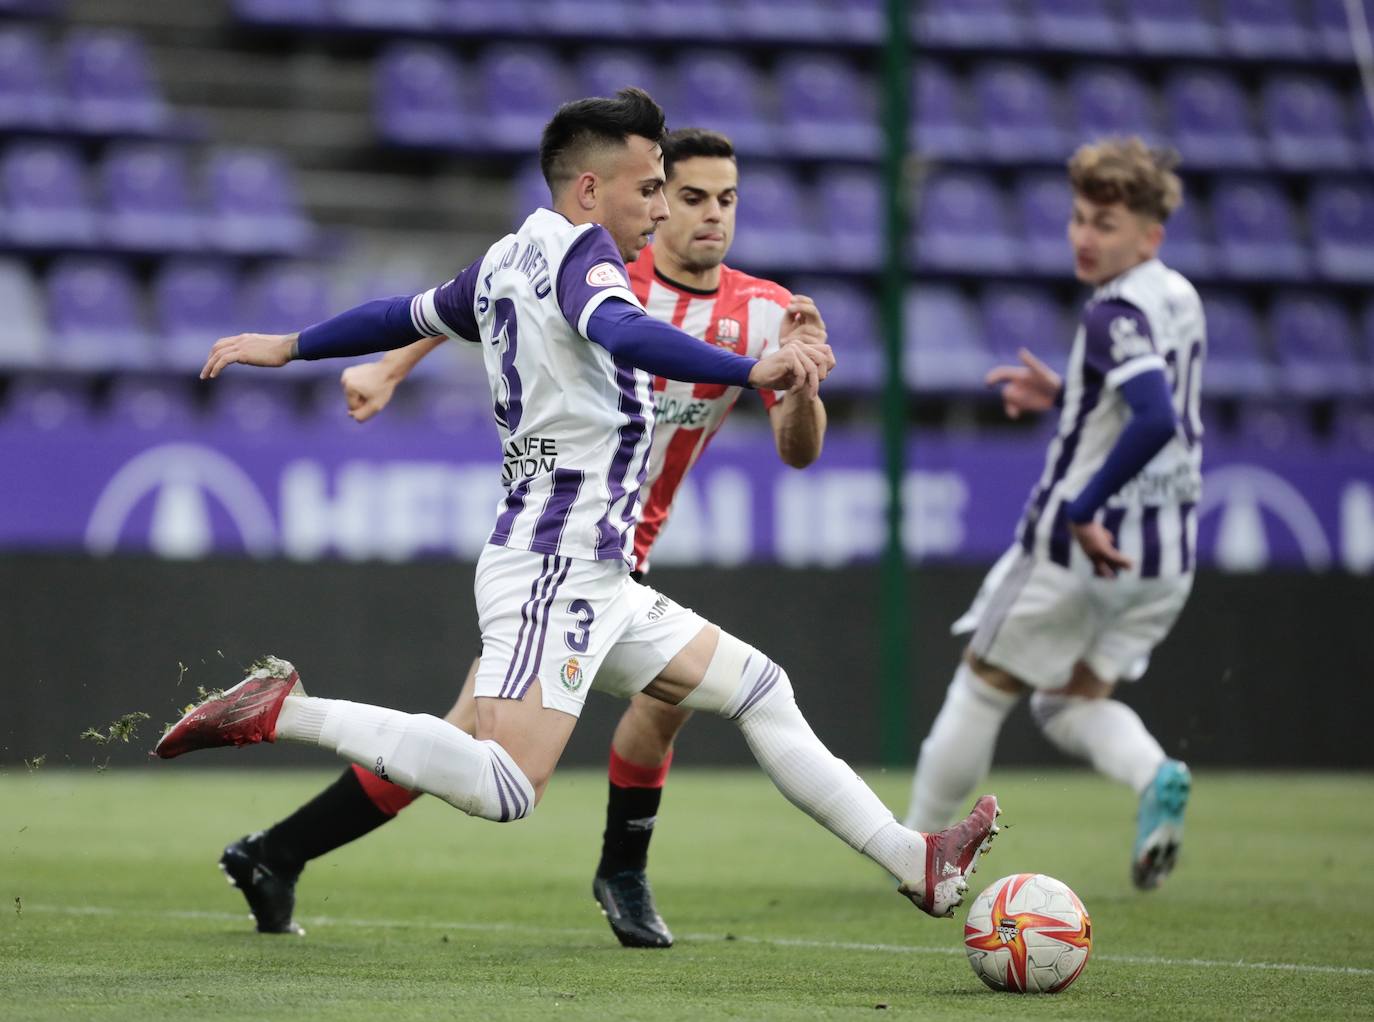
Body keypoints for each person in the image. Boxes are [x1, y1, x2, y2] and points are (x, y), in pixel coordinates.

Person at [158, 89, 1001, 941]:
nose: (663, 208)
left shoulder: (504, 259)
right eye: (651, 190)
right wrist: (750, 372)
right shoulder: (584, 261)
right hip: (553, 562)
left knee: (760, 689)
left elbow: (403, 313)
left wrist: (290, 344)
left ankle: (914, 861)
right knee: (506, 788)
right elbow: (626, 333)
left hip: (598, 568)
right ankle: (285, 710)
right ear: (591, 191)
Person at [213, 127, 831, 947]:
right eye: (685, 196)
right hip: (564, 536)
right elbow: (483, 300)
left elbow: (798, 453)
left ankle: (281, 850)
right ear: (645, 194)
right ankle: (618, 872)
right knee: (492, 742)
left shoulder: (760, 309)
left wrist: (799, 385)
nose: (709, 215)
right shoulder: (609, 269)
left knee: (595, 718)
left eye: (727, 199)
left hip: (623, 543)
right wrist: (393, 364)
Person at [902, 137, 1203, 891]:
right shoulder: (1180, 295)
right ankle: (1154, 773)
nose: (1084, 236)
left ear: (1149, 235)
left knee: (982, 685)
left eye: (1104, 223)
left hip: (1077, 548)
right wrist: (1071, 394)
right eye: (1077, 219)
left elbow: (1154, 416)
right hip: (1162, 559)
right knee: (1070, 701)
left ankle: (911, 850)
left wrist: (1082, 505)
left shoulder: (1113, 312)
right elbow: (1144, 403)